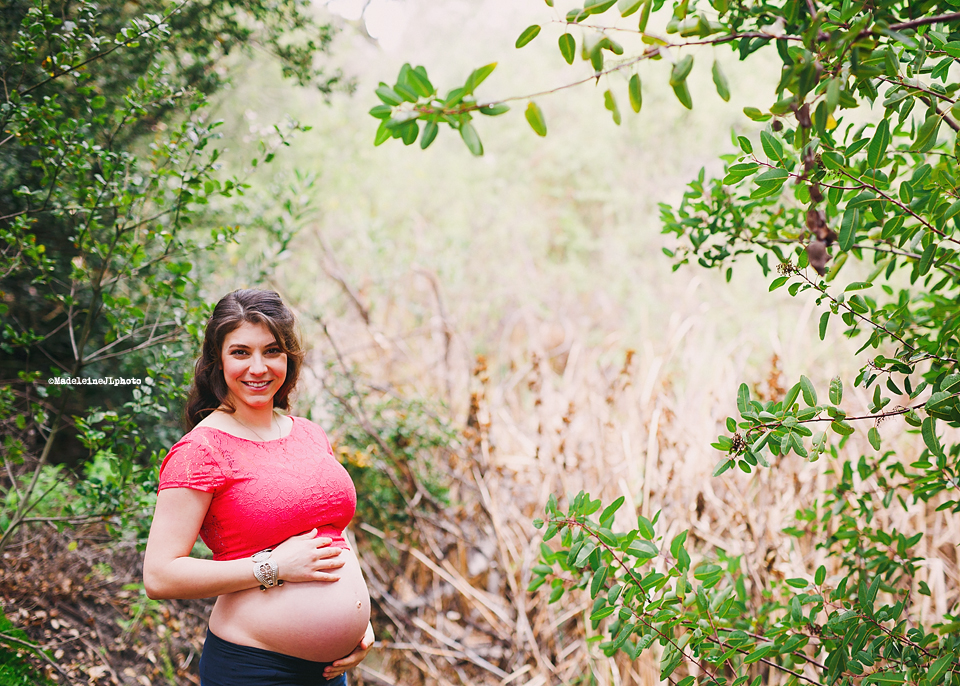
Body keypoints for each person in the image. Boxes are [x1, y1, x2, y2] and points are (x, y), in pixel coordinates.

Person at [143, 289, 374, 686]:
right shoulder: (202, 450)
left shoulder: (309, 434)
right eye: (240, 352)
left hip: (330, 672)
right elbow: (160, 576)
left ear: (289, 357)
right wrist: (274, 567)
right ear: (217, 360)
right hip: (254, 668)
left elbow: (332, 533)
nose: (258, 367)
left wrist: (358, 624)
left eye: (272, 351)